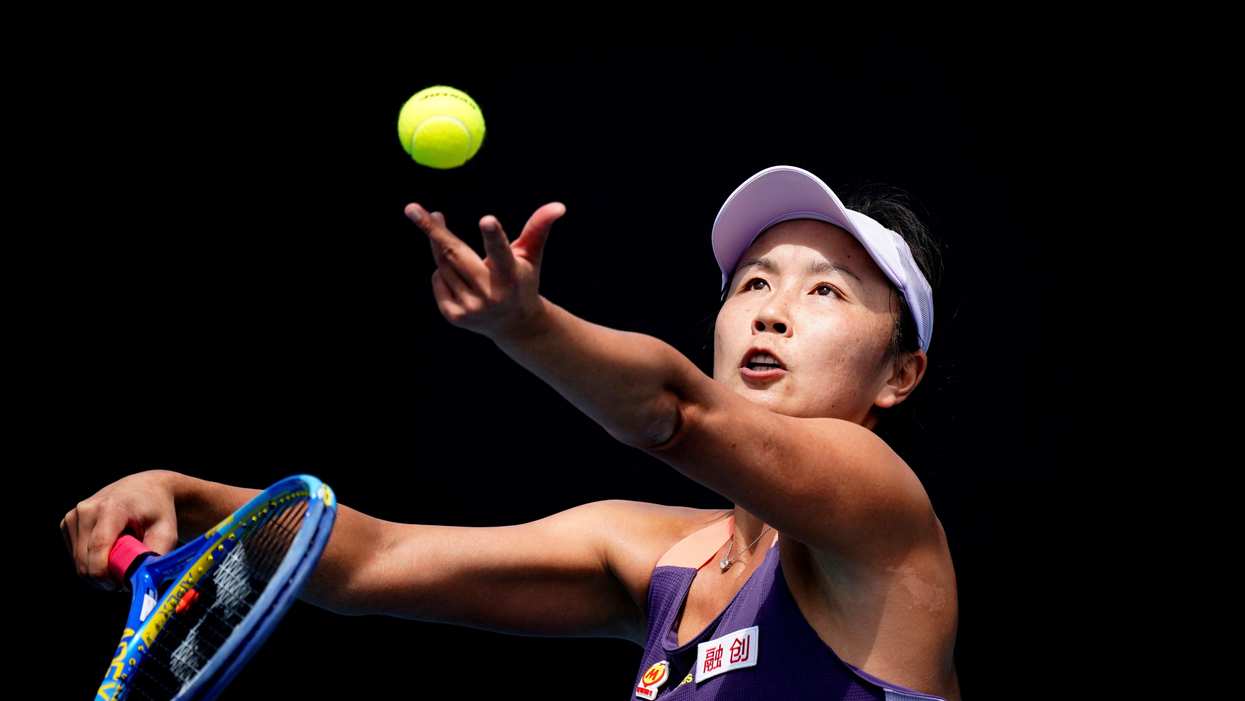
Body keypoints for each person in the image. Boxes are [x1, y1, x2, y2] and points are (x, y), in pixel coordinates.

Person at [62, 165, 959, 700]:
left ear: (897, 373)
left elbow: (673, 414)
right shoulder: (659, 556)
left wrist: (526, 326)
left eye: (825, 290)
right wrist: (185, 492)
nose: (772, 313)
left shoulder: (884, 523)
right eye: (753, 285)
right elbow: (366, 562)